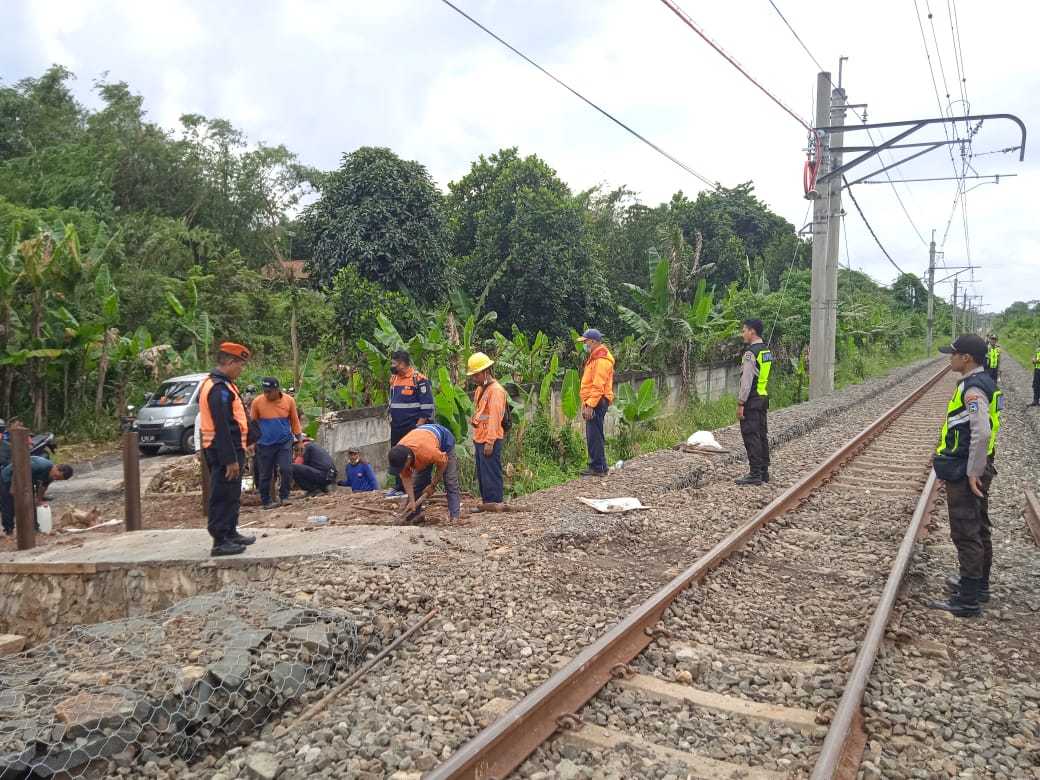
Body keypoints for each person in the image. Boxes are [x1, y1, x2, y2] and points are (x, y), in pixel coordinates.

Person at [930, 334, 1003, 617]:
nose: (950, 357)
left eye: (954, 354)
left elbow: (982, 431)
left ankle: (968, 601)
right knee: (979, 526)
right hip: (978, 465)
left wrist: (973, 471)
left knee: (966, 531)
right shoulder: (985, 382)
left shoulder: (973, 390)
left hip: (966, 470)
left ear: (967, 358)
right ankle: (979, 586)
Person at [199, 342, 255, 556]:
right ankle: (220, 539)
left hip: (232, 447)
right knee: (222, 493)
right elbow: (222, 425)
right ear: (230, 362)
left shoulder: (225, 385)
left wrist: (247, 440)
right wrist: (229, 458)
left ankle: (230, 531)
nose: (241, 370)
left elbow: (237, 419)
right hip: (222, 449)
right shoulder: (217, 389)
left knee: (232, 492)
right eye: (240, 365)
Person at [387, 423, 461, 524]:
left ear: (408, 460)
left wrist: (433, 485)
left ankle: (454, 516)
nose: (401, 469)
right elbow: (406, 477)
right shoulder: (399, 453)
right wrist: (412, 501)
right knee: (418, 483)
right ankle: (414, 516)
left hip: (444, 441)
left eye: (402, 467)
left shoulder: (427, 452)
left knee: (450, 482)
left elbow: (444, 462)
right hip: (423, 439)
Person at [387, 351, 434, 497]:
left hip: (412, 428)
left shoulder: (419, 380)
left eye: (394, 364)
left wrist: (418, 427)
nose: (392, 366)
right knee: (397, 456)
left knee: (417, 457)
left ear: (402, 363)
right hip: (396, 427)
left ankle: (420, 488)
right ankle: (400, 487)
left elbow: (427, 406)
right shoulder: (393, 379)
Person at [251, 377, 302, 510]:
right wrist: (252, 442)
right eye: (265, 391)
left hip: (283, 442)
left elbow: (295, 421)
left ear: (277, 389)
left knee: (286, 469)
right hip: (264, 444)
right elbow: (253, 424)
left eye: (269, 391)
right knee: (265, 474)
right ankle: (266, 501)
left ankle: (284, 496)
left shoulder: (289, 401)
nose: (266, 394)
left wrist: (299, 440)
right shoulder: (257, 402)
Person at [467, 352, 509, 512]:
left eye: (476, 375)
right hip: (480, 437)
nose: (474, 378)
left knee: (491, 472)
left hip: (489, 439)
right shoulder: (480, 390)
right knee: (483, 474)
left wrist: (490, 441)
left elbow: (494, 419)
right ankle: (486, 503)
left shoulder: (496, 391)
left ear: (485, 372)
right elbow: (481, 413)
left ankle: (495, 502)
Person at [735, 318, 774, 486]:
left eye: (744, 330)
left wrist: (741, 403)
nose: (742, 334)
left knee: (751, 435)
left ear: (752, 331)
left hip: (751, 400)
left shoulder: (751, 353)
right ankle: (764, 471)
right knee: (761, 434)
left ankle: (755, 473)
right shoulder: (766, 351)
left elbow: (746, 380)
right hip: (763, 396)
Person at [0, 456, 73, 535]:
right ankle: (9, 530)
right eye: (56, 476)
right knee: (9, 505)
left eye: (58, 479)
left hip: (27, 481)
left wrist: (38, 499)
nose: (55, 478)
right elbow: (19, 470)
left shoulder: (52, 475)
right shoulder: (41, 465)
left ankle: (34, 528)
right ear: (56, 467)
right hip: (9, 478)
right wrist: (13, 488)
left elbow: (43, 486)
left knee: (31, 504)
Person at [579, 329, 615, 477]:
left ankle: (597, 467)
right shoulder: (596, 358)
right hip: (595, 400)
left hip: (597, 401)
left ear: (593, 341)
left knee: (594, 435)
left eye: (585, 341)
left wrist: (590, 405)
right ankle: (599, 465)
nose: (584, 344)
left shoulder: (601, 360)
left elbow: (598, 385)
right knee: (595, 434)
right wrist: (586, 403)